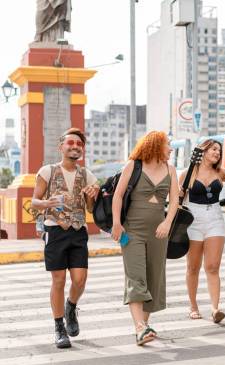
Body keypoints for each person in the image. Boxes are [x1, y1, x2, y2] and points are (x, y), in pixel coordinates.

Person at [31, 127, 100, 349]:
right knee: (58, 280)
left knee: (80, 279)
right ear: (61, 147)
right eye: (70, 143)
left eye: (79, 144)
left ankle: (71, 306)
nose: (75, 147)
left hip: (79, 231)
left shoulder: (87, 175)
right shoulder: (47, 171)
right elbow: (34, 201)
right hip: (55, 231)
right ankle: (59, 327)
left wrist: (92, 196)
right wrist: (46, 203)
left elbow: (90, 208)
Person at [111, 131, 179, 345]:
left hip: (159, 232)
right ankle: (140, 327)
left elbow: (175, 200)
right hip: (132, 231)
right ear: (156, 145)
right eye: (168, 144)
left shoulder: (171, 169)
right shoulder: (134, 165)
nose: (171, 149)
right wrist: (116, 223)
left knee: (153, 278)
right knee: (136, 276)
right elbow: (118, 195)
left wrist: (167, 223)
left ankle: (144, 327)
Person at [179, 139, 225, 323]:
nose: (217, 152)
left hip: (215, 219)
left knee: (212, 266)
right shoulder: (188, 173)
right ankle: (193, 306)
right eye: (213, 149)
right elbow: (178, 198)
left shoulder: (221, 172)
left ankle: (215, 308)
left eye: (219, 150)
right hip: (193, 220)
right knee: (193, 267)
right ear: (203, 151)